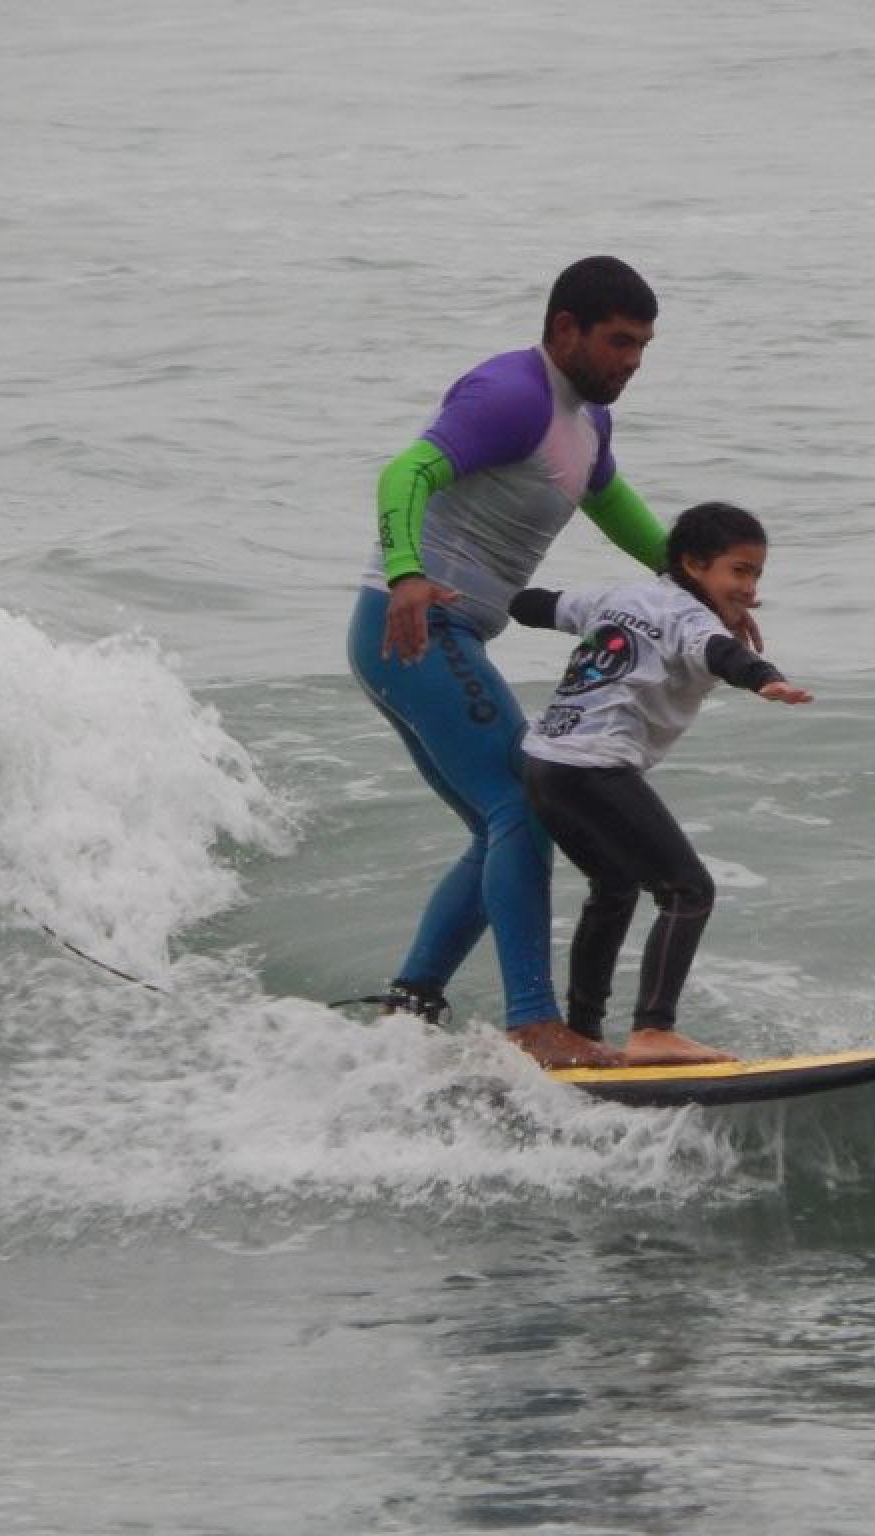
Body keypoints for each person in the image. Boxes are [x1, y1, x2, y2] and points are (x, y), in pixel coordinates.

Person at [349, 256, 687, 1070]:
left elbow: (610, 505)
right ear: (565, 328)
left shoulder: (586, 419)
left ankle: (412, 1004)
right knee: (524, 807)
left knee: (495, 822)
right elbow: (405, 473)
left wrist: (694, 583)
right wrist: (404, 574)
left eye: (643, 347)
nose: (631, 363)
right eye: (618, 343)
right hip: (416, 630)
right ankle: (534, 1026)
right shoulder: (513, 395)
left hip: (427, 640)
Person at [508, 501, 813, 1065]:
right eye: (739, 571)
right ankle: (653, 1028)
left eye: (756, 575)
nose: (749, 588)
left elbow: (533, 606)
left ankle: (581, 1035)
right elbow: (719, 653)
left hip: (545, 761)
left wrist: (480, 590)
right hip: (595, 764)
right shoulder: (692, 618)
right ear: (695, 565)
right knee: (689, 891)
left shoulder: (619, 596)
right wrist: (765, 679)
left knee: (616, 886)